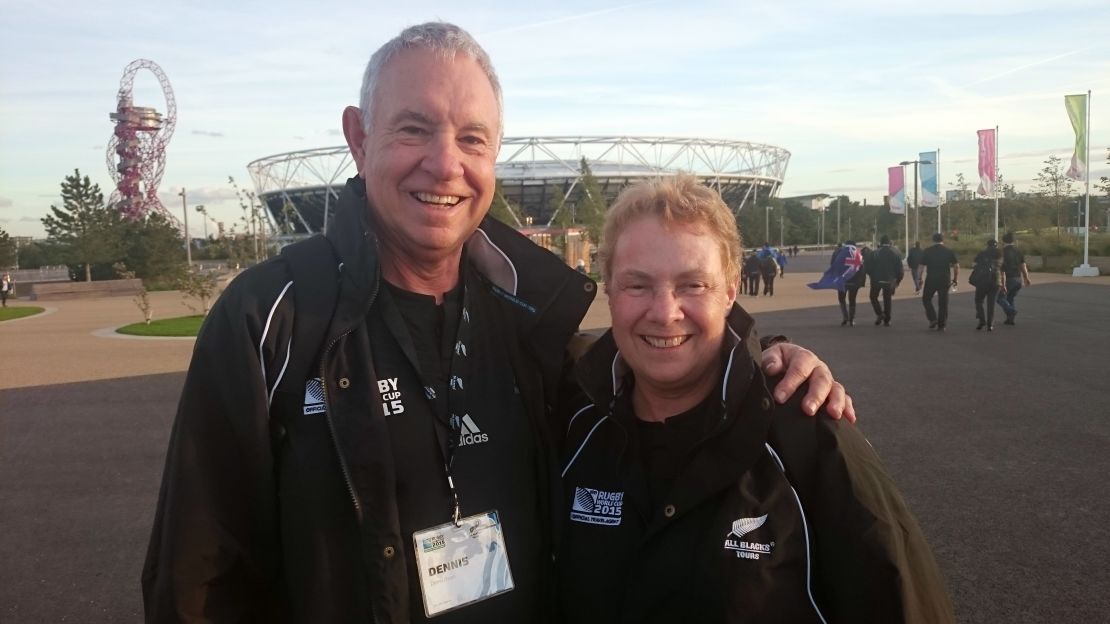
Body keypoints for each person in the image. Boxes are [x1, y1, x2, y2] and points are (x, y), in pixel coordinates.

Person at [142, 22, 853, 623]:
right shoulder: (273, 319)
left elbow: (655, 377)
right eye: (414, 129)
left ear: (495, 155)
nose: (445, 163)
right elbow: (198, 572)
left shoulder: (529, 320)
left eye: (473, 139)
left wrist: (765, 358)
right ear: (359, 138)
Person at [558, 175, 955, 623]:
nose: (665, 312)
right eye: (637, 285)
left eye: (693, 285)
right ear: (607, 287)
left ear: (730, 290)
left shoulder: (806, 434)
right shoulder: (571, 418)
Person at [920, 232, 960, 332]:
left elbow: (921, 267)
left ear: (933, 240)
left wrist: (919, 279)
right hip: (944, 279)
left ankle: (933, 318)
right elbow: (956, 266)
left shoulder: (927, 251)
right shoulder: (948, 251)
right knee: (943, 303)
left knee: (926, 299)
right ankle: (942, 325)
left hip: (931, 279)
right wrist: (955, 279)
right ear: (943, 240)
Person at [996, 231, 1032, 325]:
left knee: (1000, 298)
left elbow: (1002, 270)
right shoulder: (1018, 251)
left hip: (1008, 279)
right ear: (1013, 241)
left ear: (1003, 241)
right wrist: (1026, 278)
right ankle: (1010, 319)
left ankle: (1011, 311)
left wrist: (1003, 284)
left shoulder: (1002, 252)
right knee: (1010, 298)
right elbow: (1023, 265)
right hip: (1018, 279)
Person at [868, 235, 903, 326]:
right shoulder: (896, 253)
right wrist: (898, 281)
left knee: (873, 297)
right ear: (889, 242)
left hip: (876, 280)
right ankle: (887, 320)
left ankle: (880, 313)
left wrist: (871, 276)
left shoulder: (875, 253)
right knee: (887, 299)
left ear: (881, 242)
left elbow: (868, 267)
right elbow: (900, 269)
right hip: (890, 280)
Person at [971, 239, 1004, 331]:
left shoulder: (982, 253)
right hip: (996, 281)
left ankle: (982, 320)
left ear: (987, 245)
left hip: (982, 280)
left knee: (979, 301)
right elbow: (1002, 269)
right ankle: (990, 324)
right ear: (996, 245)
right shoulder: (1000, 254)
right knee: (991, 303)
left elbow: (974, 264)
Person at [838, 242, 867, 326]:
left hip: (843, 281)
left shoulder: (841, 255)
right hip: (854, 282)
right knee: (852, 299)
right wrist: (861, 282)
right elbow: (862, 271)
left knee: (841, 299)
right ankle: (851, 319)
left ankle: (845, 317)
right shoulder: (858, 256)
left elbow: (834, 266)